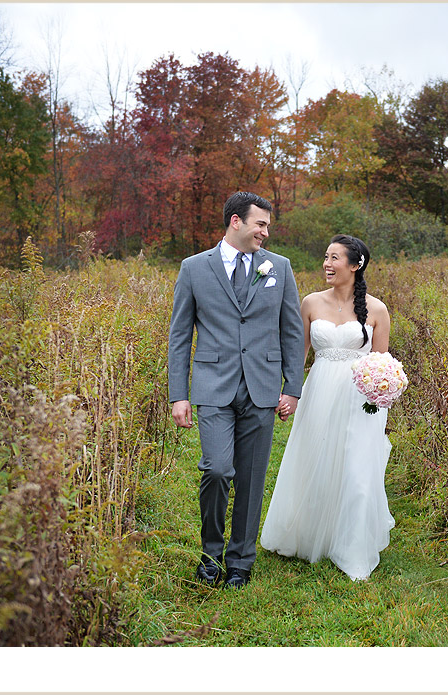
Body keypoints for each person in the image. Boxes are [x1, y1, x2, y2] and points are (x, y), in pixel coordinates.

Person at [168, 191, 304, 588]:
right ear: (236, 222)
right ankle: (210, 555)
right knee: (216, 469)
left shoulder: (279, 267)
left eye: (267, 226)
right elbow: (180, 336)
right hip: (213, 386)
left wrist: (292, 387)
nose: (265, 232)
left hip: (262, 386)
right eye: (260, 224)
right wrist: (179, 394)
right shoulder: (194, 268)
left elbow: (292, 331)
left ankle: (241, 561)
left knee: (251, 477)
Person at [260, 234, 395, 581]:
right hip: (319, 391)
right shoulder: (311, 303)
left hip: (360, 398)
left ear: (355, 265)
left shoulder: (377, 310)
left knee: (357, 470)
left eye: (335, 258)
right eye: (325, 257)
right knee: (314, 459)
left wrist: (381, 392)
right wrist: (288, 393)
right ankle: (307, 533)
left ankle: (351, 544)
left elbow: (382, 363)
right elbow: (298, 355)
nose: (327, 264)